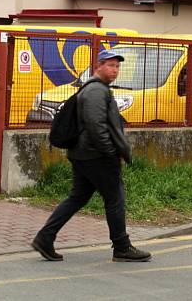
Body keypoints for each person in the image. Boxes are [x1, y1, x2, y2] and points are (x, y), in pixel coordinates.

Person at [31, 48, 151, 263]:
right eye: (111, 65)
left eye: (117, 66)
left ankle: (45, 238)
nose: (115, 70)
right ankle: (122, 247)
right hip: (96, 155)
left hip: (83, 153)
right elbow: (96, 126)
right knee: (115, 198)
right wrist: (110, 152)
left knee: (78, 197)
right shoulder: (96, 91)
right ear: (99, 66)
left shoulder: (96, 89)